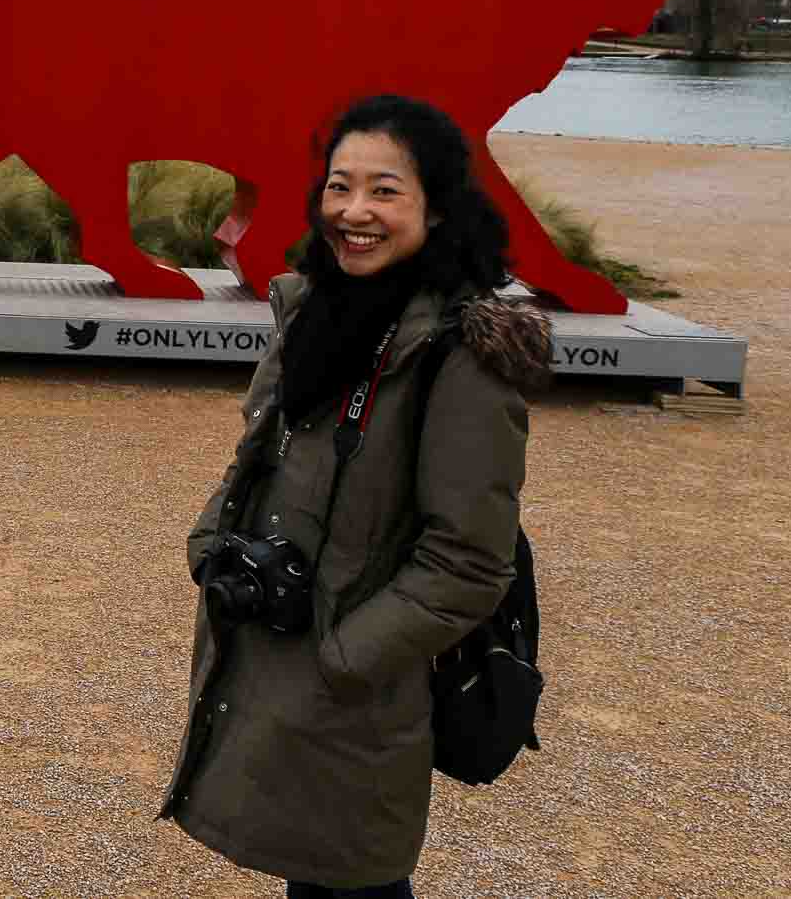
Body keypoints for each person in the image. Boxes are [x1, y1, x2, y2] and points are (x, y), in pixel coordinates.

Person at [156, 94, 552, 896]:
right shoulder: (314, 310)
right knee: (311, 868)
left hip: (358, 678)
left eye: (384, 190)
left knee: (352, 873)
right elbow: (255, 450)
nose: (354, 211)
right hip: (276, 649)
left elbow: (470, 561)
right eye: (339, 186)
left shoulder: (458, 353)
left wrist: (342, 657)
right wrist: (211, 544)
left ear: (436, 207)